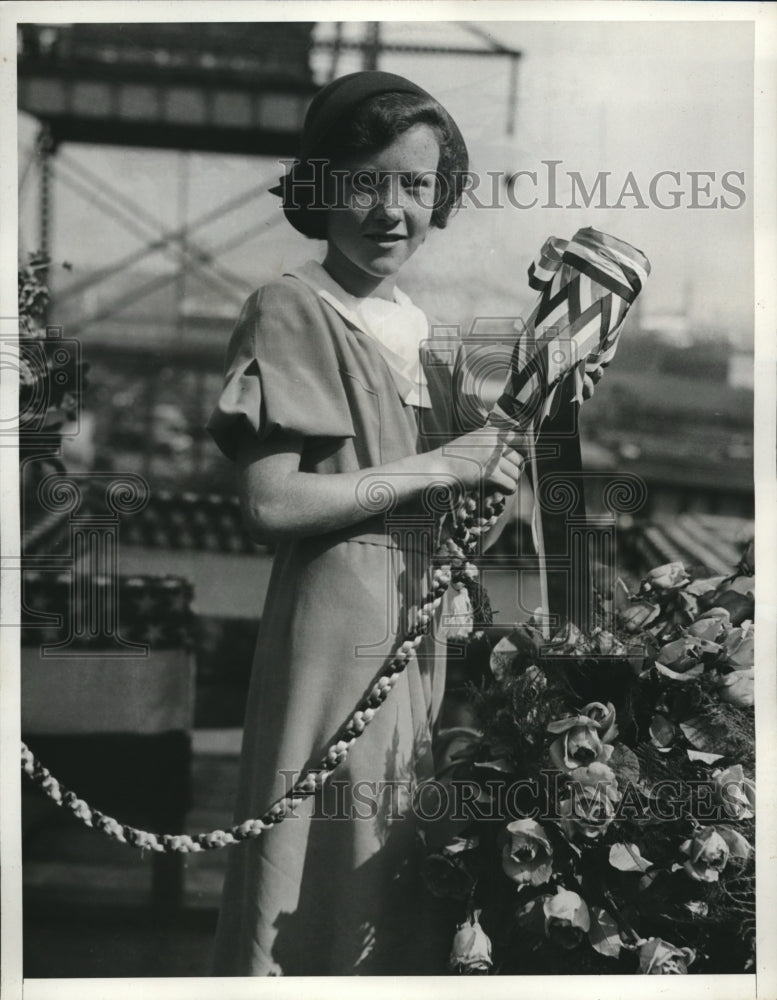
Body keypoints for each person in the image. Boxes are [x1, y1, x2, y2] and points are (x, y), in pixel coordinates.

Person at [206, 70, 524, 976]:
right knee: (315, 879)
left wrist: (490, 484)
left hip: (410, 637)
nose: (392, 208)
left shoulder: (413, 329)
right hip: (331, 633)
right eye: (365, 179)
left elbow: (453, 524)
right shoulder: (291, 306)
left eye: (416, 184)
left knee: (385, 877)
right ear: (319, 187)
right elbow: (273, 501)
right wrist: (435, 466)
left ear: (441, 196)